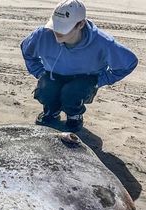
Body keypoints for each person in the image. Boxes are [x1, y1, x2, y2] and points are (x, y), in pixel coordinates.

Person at [20, 0, 138, 129]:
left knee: (72, 93)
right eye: (55, 25)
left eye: (63, 27)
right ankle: (51, 111)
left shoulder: (103, 42)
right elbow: (27, 50)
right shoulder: (42, 34)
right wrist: (39, 73)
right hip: (53, 75)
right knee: (46, 89)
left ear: (80, 24)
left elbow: (128, 63)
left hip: (84, 80)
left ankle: (74, 116)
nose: (57, 31)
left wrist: (99, 81)